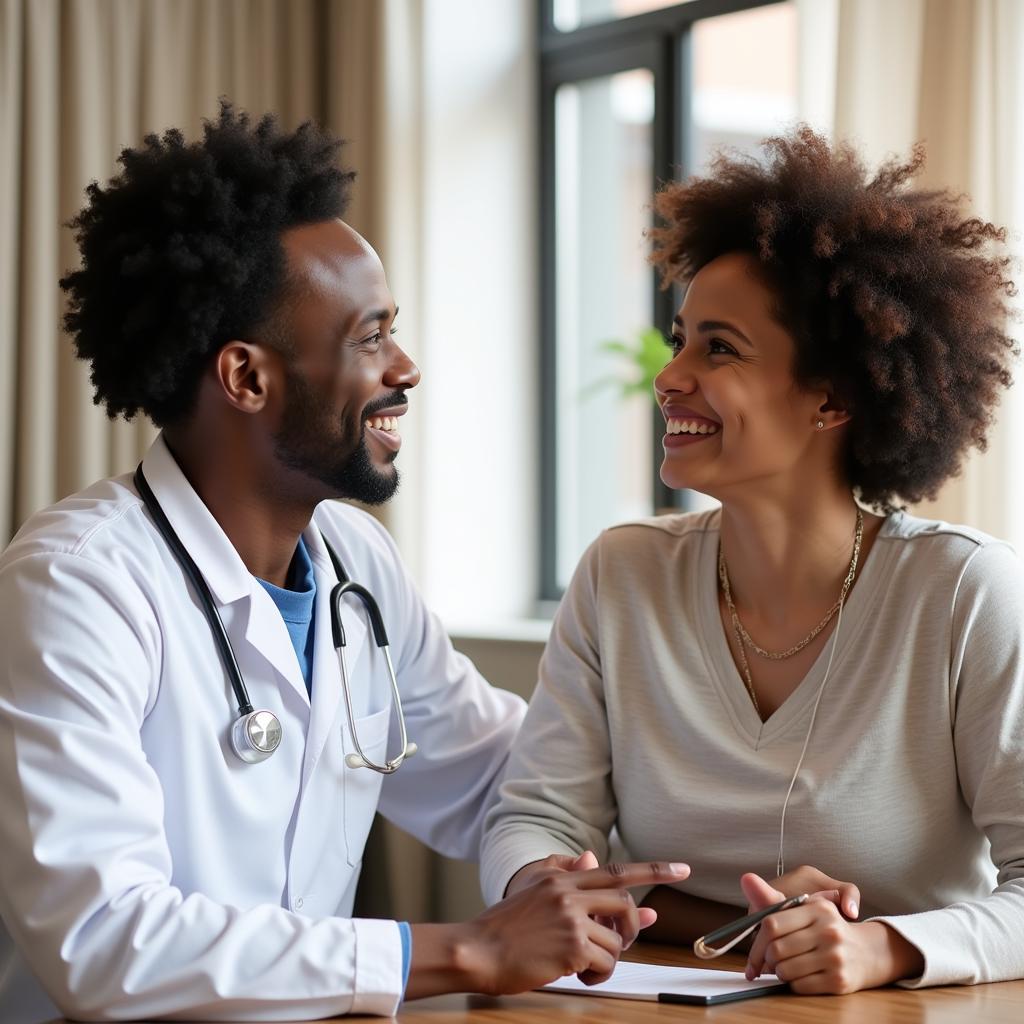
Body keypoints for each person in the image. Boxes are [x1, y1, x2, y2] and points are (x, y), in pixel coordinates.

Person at [0, 104, 688, 1024]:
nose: (405, 366)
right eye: (369, 337)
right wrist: (468, 948)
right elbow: (104, 941)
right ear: (247, 378)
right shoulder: (77, 584)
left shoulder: (354, 563)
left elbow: (507, 778)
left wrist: (749, 868)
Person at [481, 126, 1024, 995]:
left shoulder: (963, 591)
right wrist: (541, 884)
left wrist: (884, 946)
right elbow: (537, 814)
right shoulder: (621, 574)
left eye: (719, 348)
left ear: (833, 398)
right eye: (680, 338)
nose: (670, 376)